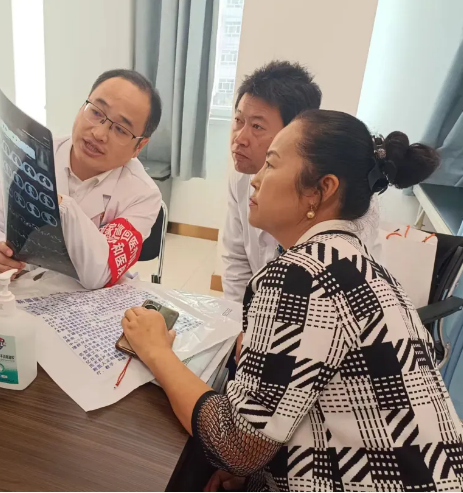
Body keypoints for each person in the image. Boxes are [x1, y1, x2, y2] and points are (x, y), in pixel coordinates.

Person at [121, 110, 462, 491]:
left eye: (271, 163)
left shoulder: (302, 275)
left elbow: (234, 445)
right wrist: (255, 463)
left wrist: (156, 351)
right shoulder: (358, 264)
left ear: (321, 189)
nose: (256, 179)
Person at [0, 69, 163, 289]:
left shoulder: (142, 194)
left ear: (139, 146)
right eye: (96, 112)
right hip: (19, 287)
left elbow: (99, 274)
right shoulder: (31, 154)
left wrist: (60, 205)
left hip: (89, 302)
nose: (99, 134)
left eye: (121, 129)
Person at [222, 61, 381, 303]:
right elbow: (236, 259)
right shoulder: (242, 177)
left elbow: (332, 295)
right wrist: (240, 316)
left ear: (294, 132)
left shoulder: (338, 198)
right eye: (238, 120)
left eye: (257, 126)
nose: (240, 138)